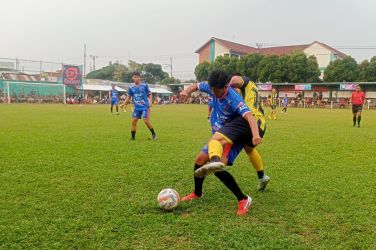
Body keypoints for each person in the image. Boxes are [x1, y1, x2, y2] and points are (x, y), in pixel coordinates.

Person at [180, 70, 262, 216]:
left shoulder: (233, 98)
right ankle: (197, 193)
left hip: (232, 135)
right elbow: (197, 85)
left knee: (217, 167)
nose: (214, 93)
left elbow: (250, 116)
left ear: (225, 87)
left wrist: (255, 135)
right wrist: (186, 91)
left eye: (216, 90)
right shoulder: (212, 87)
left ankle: (243, 199)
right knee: (199, 160)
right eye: (212, 90)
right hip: (220, 133)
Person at [123, 72, 157, 140]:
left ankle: (154, 134)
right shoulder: (131, 88)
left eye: (137, 77)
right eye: (135, 77)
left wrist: (150, 102)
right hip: (136, 108)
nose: (136, 78)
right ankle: (133, 138)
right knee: (134, 121)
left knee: (146, 121)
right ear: (133, 78)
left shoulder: (144, 85)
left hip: (145, 107)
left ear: (140, 78)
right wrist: (124, 103)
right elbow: (128, 96)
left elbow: (150, 94)